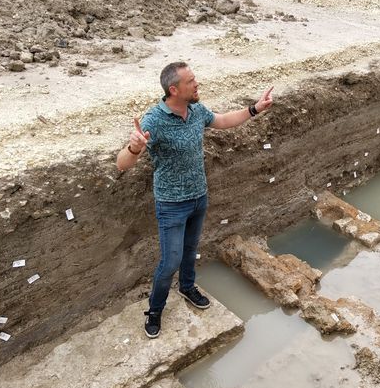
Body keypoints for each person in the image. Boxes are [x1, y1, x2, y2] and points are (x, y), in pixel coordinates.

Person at [116, 61, 273, 338]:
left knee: (190, 251)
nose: (197, 84)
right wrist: (134, 147)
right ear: (174, 89)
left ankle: (187, 287)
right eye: (191, 81)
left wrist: (254, 109)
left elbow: (222, 121)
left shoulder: (196, 109)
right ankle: (155, 309)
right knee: (170, 261)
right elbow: (122, 164)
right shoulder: (154, 120)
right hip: (171, 205)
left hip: (198, 197)